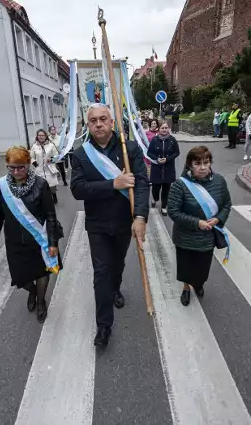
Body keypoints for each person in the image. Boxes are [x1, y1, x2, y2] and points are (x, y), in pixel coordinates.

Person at [70, 103, 149, 348]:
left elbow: (143, 184)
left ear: (112, 122)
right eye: (93, 120)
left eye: (103, 119)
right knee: (101, 273)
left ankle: (116, 288)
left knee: (117, 264)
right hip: (98, 225)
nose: (98, 124)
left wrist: (140, 217)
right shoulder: (81, 155)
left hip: (125, 221)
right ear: (88, 125)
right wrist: (113, 184)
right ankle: (104, 326)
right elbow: (77, 189)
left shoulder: (130, 149)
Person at [0, 147, 62, 323]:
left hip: (38, 240)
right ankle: (33, 291)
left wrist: (52, 243)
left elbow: (51, 215)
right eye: (11, 167)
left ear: (28, 165)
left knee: (42, 273)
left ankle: (41, 301)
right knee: (20, 278)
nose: (16, 171)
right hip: (14, 242)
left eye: (20, 167)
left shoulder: (41, 184)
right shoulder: (2, 185)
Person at [167, 146, 231, 306]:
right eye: (197, 163)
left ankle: (199, 283)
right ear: (189, 165)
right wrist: (197, 223)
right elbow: (173, 211)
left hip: (207, 237)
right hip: (185, 237)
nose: (202, 167)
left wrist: (218, 219)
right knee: (186, 266)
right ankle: (186, 287)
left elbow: (227, 204)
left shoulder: (219, 181)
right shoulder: (179, 185)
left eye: (206, 162)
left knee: (203, 267)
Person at [147, 121, 180, 216]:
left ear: (168, 129)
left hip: (168, 168)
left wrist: (167, 159)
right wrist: (157, 159)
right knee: (155, 188)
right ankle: (155, 198)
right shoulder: (154, 140)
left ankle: (164, 206)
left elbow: (177, 153)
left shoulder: (172, 140)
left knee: (166, 189)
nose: (164, 130)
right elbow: (149, 153)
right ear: (159, 129)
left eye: (166, 128)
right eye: (162, 128)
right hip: (156, 168)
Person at [30, 129, 60, 203]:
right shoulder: (34, 146)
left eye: (42, 135)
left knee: (52, 186)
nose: (41, 137)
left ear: (46, 136)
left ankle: (54, 195)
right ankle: (44, 199)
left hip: (49, 169)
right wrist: (35, 164)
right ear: (37, 136)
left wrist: (51, 159)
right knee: (40, 186)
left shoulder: (51, 145)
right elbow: (31, 157)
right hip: (39, 169)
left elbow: (57, 156)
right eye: (39, 135)